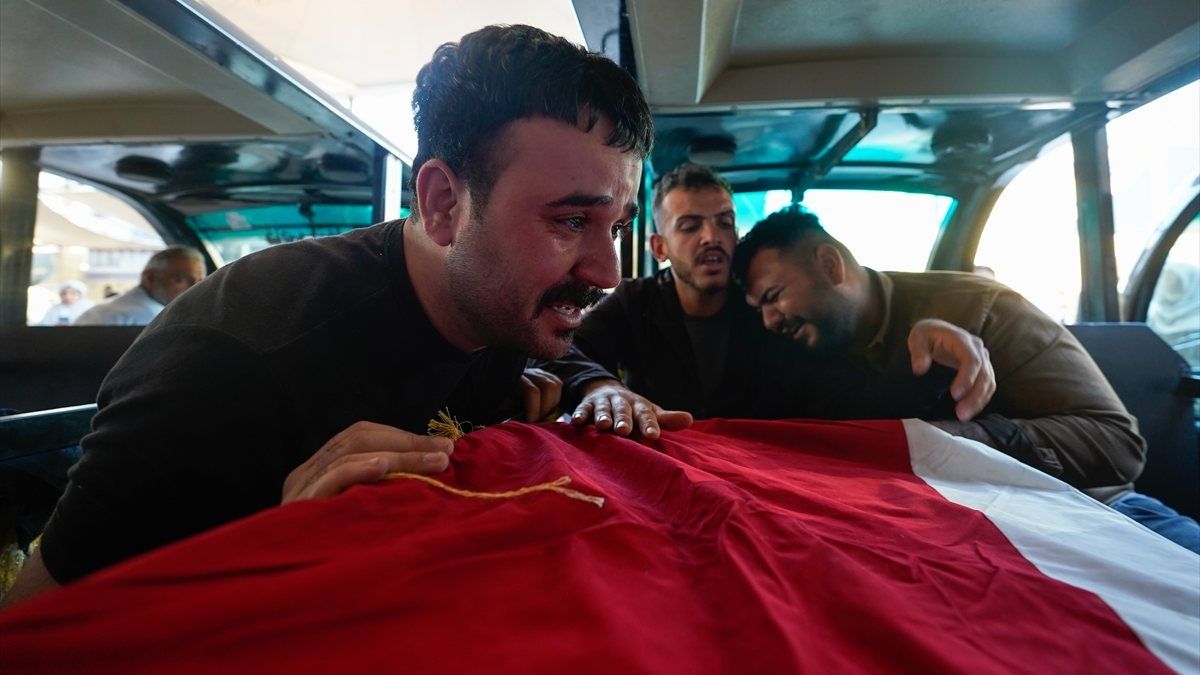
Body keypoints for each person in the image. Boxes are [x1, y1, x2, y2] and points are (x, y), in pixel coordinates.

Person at [5, 25, 681, 605]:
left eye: (618, 226)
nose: (608, 273)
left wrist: (597, 385)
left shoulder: (499, 308)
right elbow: (35, 637)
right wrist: (278, 557)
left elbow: (550, 345)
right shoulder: (226, 363)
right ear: (444, 204)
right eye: (571, 220)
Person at [733, 208, 1199, 552]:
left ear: (829, 266)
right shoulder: (802, 354)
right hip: (949, 537)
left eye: (774, 297)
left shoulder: (981, 308)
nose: (770, 320)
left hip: (1096, 513)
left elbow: (1119, 445)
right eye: (759, 310)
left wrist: (965, 440)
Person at [546, 162, 995, 425]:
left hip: (758, 480)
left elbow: (845, 403)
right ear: (659, 248)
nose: (712, 237)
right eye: (690, 226)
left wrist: (928, 360)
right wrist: (601, 385)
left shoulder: (771, 314)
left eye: (724, 222)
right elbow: (558, 350)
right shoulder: (634, 303)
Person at [74, 247, 207, 326]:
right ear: (150, 278)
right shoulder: (110, 319)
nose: (195, 287)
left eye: (200, 281)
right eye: (180, 280)